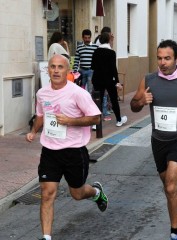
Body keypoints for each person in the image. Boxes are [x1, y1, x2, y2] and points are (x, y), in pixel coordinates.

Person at [130, 39, 177, 240]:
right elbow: (133, 105)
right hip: (158, 140)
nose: (162, 62)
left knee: (172, 186)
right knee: (167, 187)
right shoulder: (149, 80)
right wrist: (141, 101)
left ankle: (174, 231)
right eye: (159, 58)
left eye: (167, 58)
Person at [25, 55, 108, 240]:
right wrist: (33, 131)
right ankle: (46, 237)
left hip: (74, 151)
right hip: (50, 150)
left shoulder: (78, 93)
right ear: (48, 70)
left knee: (77, 193)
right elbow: (41, 115)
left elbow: (96, 117)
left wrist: (70, 121)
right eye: (52, 67)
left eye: (60, 67)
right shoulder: (42, 93)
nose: (55, 71)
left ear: (67, 71)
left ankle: (96, 192)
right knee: (47, 193)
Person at [91, 32, 127, 127]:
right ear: (108, 40)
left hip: (97, 79)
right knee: (114, 99)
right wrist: (117, 82)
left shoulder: (96, 52)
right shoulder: (111, 53)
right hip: (109, 80)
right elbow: (113, 69)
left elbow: (93, 66)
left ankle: (96, 124)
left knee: (98, 101)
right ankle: (119, 120)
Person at [73, 29, 98, 93]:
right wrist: (75, 71)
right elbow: (76, 60)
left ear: (90, 37)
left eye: (88, 38)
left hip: (91, 71)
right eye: (85, 38)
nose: (87, 40)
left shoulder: (95, 47)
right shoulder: (79, 47)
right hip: (82, 71)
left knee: (90, 89)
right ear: (82, 38)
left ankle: (89, 101)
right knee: (82, 89)